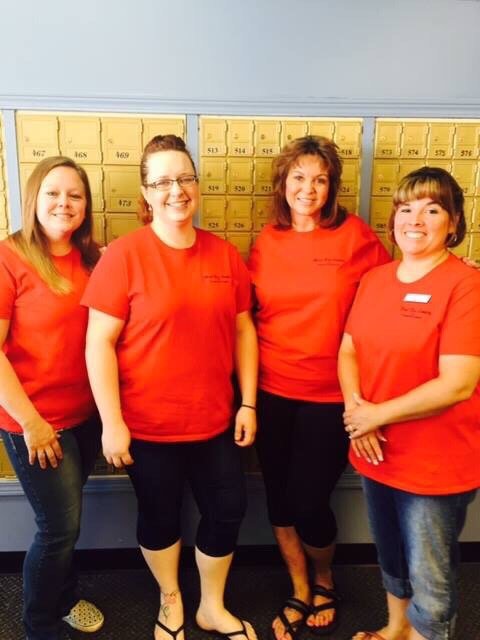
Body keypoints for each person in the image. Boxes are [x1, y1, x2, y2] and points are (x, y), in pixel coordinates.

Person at [82, 134, 258, 640]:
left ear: (196, 185)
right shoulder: (124, 256)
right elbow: (98, 343)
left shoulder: (224, 255)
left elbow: (244, 330)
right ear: (145, 192)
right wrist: (112, 423)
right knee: (160, 516)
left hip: (215, 421)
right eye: (161, 182)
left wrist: (248, 402)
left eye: (184, 178)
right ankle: (171, 598)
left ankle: (211, 606)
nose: (175, 190)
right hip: (148, 426)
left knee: (228, 509)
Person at [247, 135, 391, 640]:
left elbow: (387, 305)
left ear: (332, 188)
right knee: (279, 498)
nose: (308, 188)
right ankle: (300, 586)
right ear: (283, 183)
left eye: (320, 179)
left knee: (309, 502)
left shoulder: (355, 237)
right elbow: (248, 316)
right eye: (298, 177)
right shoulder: (267, 240)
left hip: (330, 396)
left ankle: (325, 576)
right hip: (271, 390)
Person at [338, 166, 480, 640]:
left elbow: (457, 383)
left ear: (454, 222)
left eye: (432, 209)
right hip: (377, 450)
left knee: (431, 576)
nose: (415, 219)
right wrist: (359, 415)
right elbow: (349, 350)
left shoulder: (466, 285)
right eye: (406, 208)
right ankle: (395, 628)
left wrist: (374, 416)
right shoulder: (376, 279)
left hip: (435, 461)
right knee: (393, 555)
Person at [0, 156, 103, 640]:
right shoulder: (9, 258)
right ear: (33, 199)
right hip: (36, 423)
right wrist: (33, 424)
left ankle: (63, 598)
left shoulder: (93, 260)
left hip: (85, 417)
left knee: (69, 521)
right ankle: (39, 623)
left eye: (75, 195)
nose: (64, 203)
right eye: (53, 193)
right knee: (58, 528)